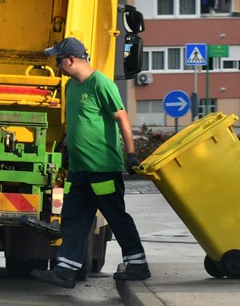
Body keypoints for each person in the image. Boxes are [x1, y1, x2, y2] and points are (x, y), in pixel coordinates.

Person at [31, 36, 150, 288]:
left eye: (59, 60)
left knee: (115, 216)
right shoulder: (71, 87)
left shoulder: (101, 84)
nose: (57, 65)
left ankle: (137, 263)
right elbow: (76, 123)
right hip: (78, 171)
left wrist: (131, 154)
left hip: (103, 170)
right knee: (74, 219)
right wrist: (65, 148)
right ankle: (65, 270)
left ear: (72, 60)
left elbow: (123, 119)